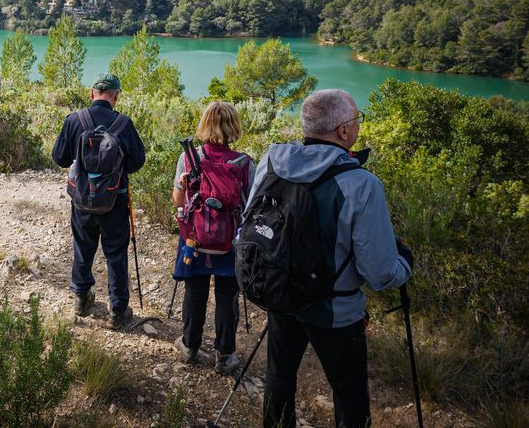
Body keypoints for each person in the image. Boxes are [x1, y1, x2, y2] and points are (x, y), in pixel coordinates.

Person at [248, 89, 413, 428]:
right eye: (356, 120)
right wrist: (405, 265)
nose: (357, 127)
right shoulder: (361, 183)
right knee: (349, 394)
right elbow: (379, 272)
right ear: (343, 131)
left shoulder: (272, 162)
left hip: (281, 292)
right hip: (335, 310)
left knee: (279, 378)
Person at [51, 73, 146, 329]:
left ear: (92, 93)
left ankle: (81, 299)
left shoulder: (74, 120)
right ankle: (118, 310)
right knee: (115, 252)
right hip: (115, 200)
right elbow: (137, 163)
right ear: (116, 96)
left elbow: (59, 157)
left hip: (82, 199)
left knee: (83, 246)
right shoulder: (124, 124)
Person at [172, 101, 255, 375]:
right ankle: (225, 355)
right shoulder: (244, 163)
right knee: (227, 297)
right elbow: (251, 206)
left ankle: (189, 346)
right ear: (234, 127)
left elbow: (177, 201)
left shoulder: (189, 159)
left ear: (204, 125)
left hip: (195, 240)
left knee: (194, 292)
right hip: (230, 242)